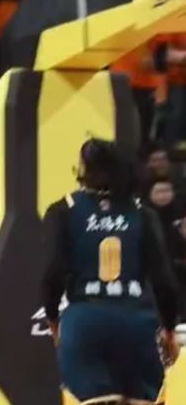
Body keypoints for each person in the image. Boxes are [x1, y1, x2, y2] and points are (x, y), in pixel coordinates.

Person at [41, 139, 180, 405]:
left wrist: (53, 319)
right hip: (136, 322)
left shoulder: (63, 209)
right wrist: (169, 329)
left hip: (85, 322)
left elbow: (53, 272)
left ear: (83, 170)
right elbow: (164, 281)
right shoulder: (142, 213)